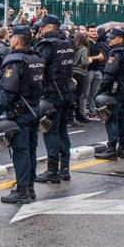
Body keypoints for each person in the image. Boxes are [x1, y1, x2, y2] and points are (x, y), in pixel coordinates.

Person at [0, 26, 45, 204]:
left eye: (12, 36)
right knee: (30, 150)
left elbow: (7, 91)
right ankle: (29, 187)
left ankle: (22, 191)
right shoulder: (36, 57)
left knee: (20, 152)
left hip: (21, 112)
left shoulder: (15, 61)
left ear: (17, 40)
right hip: (34, 108)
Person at [34, 14, 75, 183]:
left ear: (50, 27)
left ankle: (52, 171)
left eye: (43, 27)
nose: (40, 29)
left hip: (51, 94)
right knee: (63, 130)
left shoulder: (47, 45)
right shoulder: (68, 43)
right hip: (67, 92)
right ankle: (64, 169)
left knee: (50, 132)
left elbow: (39, 68)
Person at [95, 28, 124, 160]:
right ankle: (122, 148)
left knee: (111, 119)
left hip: (115, 91)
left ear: (120, 39)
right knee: (122, 120)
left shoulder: (115, 53)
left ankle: (111, 149)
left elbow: (109, 75)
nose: (109, 40)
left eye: (112, 37)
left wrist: (100, 90)